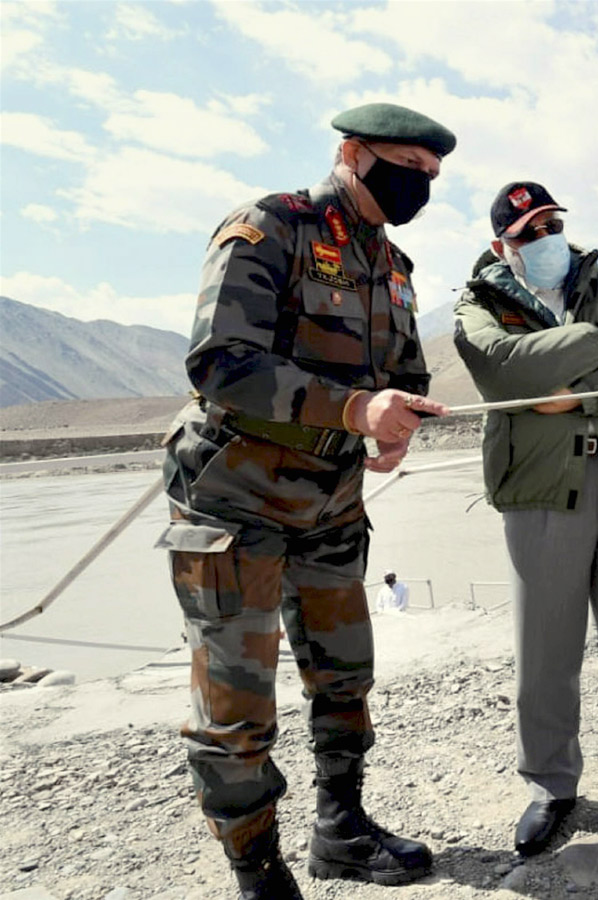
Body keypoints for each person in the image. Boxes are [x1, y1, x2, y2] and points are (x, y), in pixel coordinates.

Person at [156, 102, 454, 899]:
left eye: (431, 177)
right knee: (237, 707)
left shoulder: (394, 266)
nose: (420, 186)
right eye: (407, 168)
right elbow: (221, 362)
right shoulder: (269, 230)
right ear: (353, 154)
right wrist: (357, 411)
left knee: (344, 676)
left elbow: (404, 374)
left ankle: (341, 831)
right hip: (234, 503)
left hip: (330, 502)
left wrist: (400, 420)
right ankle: (258, 872)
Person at [453, 181, 598, 856]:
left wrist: (573, 398)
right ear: (505, 244)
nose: (548, 236)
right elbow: (502, 371)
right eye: (530, 230)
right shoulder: (482, 303)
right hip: (539, 494)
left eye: (554, 222)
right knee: (545, 647)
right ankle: (552, 786)